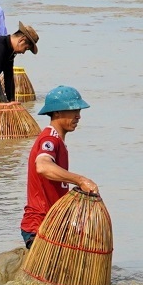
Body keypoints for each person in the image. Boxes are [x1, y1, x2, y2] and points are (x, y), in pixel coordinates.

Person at [20, 86, 99, 247]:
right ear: (56, 112)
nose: (78, 116)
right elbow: (43, 166)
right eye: (73, 110)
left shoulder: (58, 142)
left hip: (53, 225)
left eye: (79, 111)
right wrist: (80, 180)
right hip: (39, 225)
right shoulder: (50, 139)